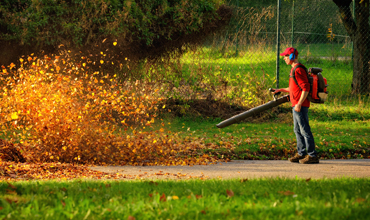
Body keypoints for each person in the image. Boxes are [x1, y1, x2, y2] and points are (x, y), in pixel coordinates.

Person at [274, 47, 319, 164]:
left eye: (285, 56)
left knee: (304, 130)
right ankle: (301, 153)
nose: (284, 58)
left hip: (300, 105)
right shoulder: (294, 69)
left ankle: (312, 155)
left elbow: (306, 88)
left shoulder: (298, 70)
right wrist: (281, 90)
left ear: (291, 57)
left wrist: (299, 103)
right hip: (296, 104)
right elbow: (294, 88)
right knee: (297, 130)